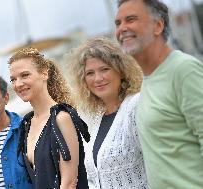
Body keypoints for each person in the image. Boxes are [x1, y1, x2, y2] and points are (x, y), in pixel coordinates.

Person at [115, 0, 203, 188]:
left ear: (158, 25)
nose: (122, 28)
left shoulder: (183, 70)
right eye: (118, 23)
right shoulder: (148, 80)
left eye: (131, 19)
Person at [65, 37, 147, 188]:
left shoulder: (136, 105)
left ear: (121, 70)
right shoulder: (95, 120)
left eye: (104, 69)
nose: (98, 78)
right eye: (90, 73)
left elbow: (161, 161)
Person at [8, 47, 90, 189]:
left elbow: (69, 183)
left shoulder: (62, 118)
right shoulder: (27, 124)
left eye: (25, 75)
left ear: (44, 73)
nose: (18, 84)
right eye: (13, 79)